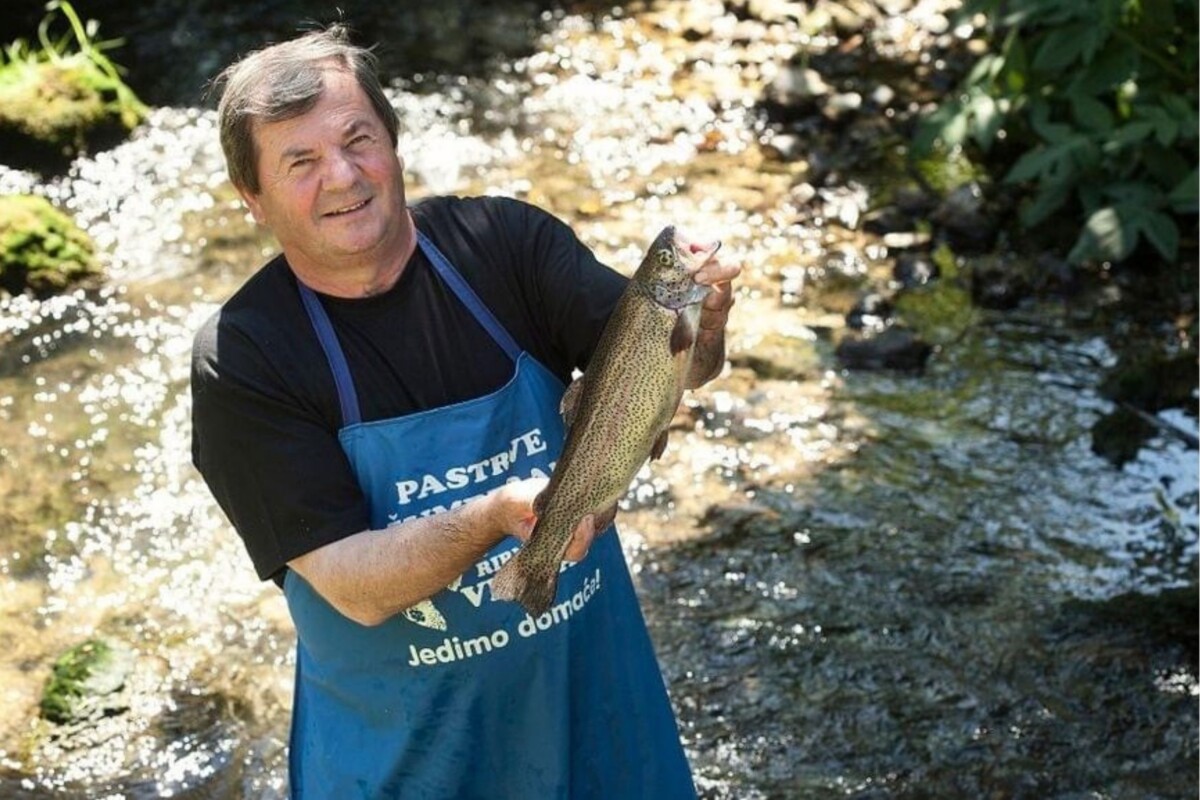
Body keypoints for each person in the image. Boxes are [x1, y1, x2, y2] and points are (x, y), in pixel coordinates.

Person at [191, 24, 739, 800]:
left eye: (358, 140)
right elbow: (353, 587)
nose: (342, 176)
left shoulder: (505, 245)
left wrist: (703, 325)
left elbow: (669, 371)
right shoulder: (245, 356)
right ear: (253, 198)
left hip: (599, 715)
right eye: (300, 162)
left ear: (393, 141)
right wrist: (493, 518)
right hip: (409, 766)